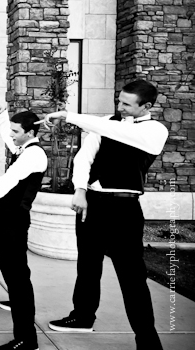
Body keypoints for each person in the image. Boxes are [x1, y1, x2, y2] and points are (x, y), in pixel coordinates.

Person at [43, 80, 168, 350]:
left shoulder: (155, 131)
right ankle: (82, 317)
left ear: (146, 106)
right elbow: (84, 158)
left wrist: (69, 116)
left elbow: (117, 131)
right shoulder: (107, 122)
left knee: (132, 277)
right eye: (119, 101)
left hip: (124, 209)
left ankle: (147, 341)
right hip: (92, 203)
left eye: (127, 104)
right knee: (87, 265)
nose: (119, 107)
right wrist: (79, 190)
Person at [0, 105, 47, 350]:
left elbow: (12, 175)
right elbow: (7, 138)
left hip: (13, 224)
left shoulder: (34, 154)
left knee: (19, 280)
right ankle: (19, 308)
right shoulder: (24, 148)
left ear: (30, 133)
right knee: (15, 279)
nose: (12, 135)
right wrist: (2, 116)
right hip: (6, 222)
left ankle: (27, 339)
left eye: (16, 131)